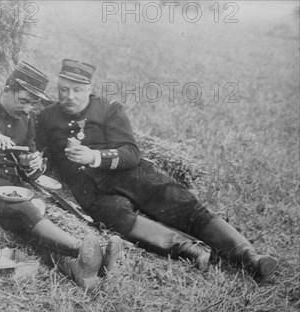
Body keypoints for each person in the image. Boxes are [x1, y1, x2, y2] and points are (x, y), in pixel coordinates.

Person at [36, 59, 277, 280]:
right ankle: (189, 248)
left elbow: (131, 152)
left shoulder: (109, 110)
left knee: (180, 203)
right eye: (63, 90)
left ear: (89, 88)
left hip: (129, 173)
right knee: (117, 219)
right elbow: (38, 149)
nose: (69, 96)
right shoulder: (47, 117)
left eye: (77, 90)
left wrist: (95, 156)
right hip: (89, 189)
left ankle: (249, 256)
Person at [0, 61, 121, 290]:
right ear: (6, 90)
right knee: (26, 210)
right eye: (24, 101)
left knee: (31, 221)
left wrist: (34, 163)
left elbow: (29, 162)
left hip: (10, 191)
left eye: (33, 104)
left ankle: (79, 269)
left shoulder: (25, 123)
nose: (28, 109)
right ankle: (81, 249)